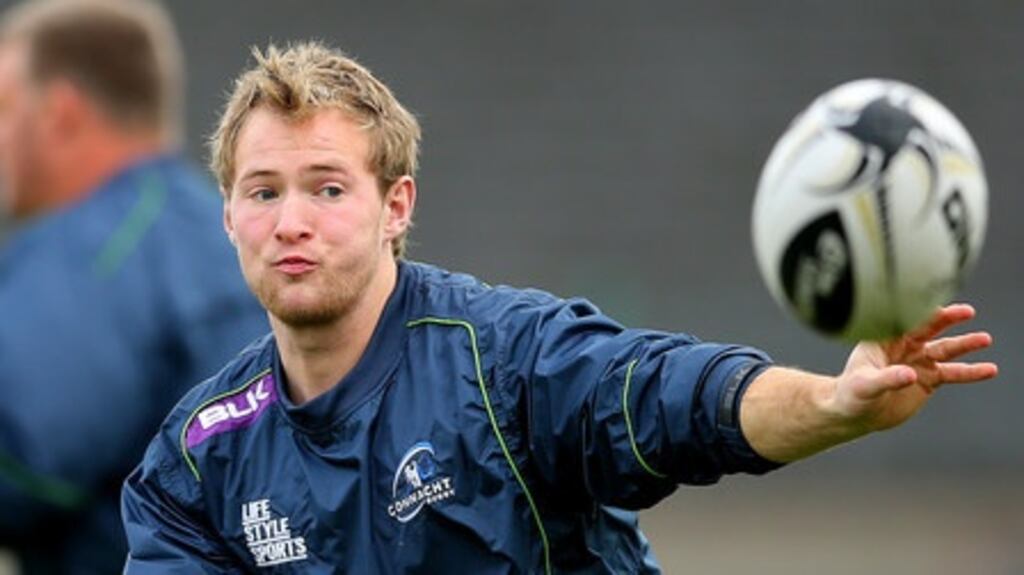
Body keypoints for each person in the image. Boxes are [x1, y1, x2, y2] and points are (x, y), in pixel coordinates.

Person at [121, 41, 998, 574]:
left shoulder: (503, 360)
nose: (292, 222)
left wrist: (831, 405)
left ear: (396, 208)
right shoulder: (197, 463)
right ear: (227, 216)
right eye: (263, 192)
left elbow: (670, 396)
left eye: (327, 187)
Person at [0, 0, 269, 572]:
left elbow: (20, 459)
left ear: (62, 113)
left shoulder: (100, 249)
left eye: (3, 108)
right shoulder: (222, 234)